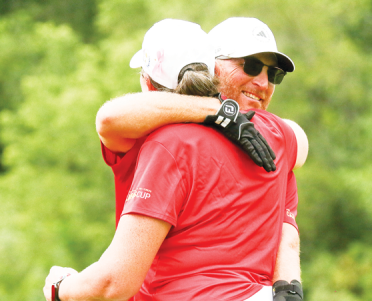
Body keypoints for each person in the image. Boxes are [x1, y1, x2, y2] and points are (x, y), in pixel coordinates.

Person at [44, 18, 307, 301]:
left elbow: (115, 283)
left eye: (274, 74)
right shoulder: (276, 136)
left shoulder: (167, 143)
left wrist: (60, 288)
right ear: (212, 68)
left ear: (146, 82)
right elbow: (288, 234)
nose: (264, 82)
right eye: (251, 66)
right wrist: (289, 288)